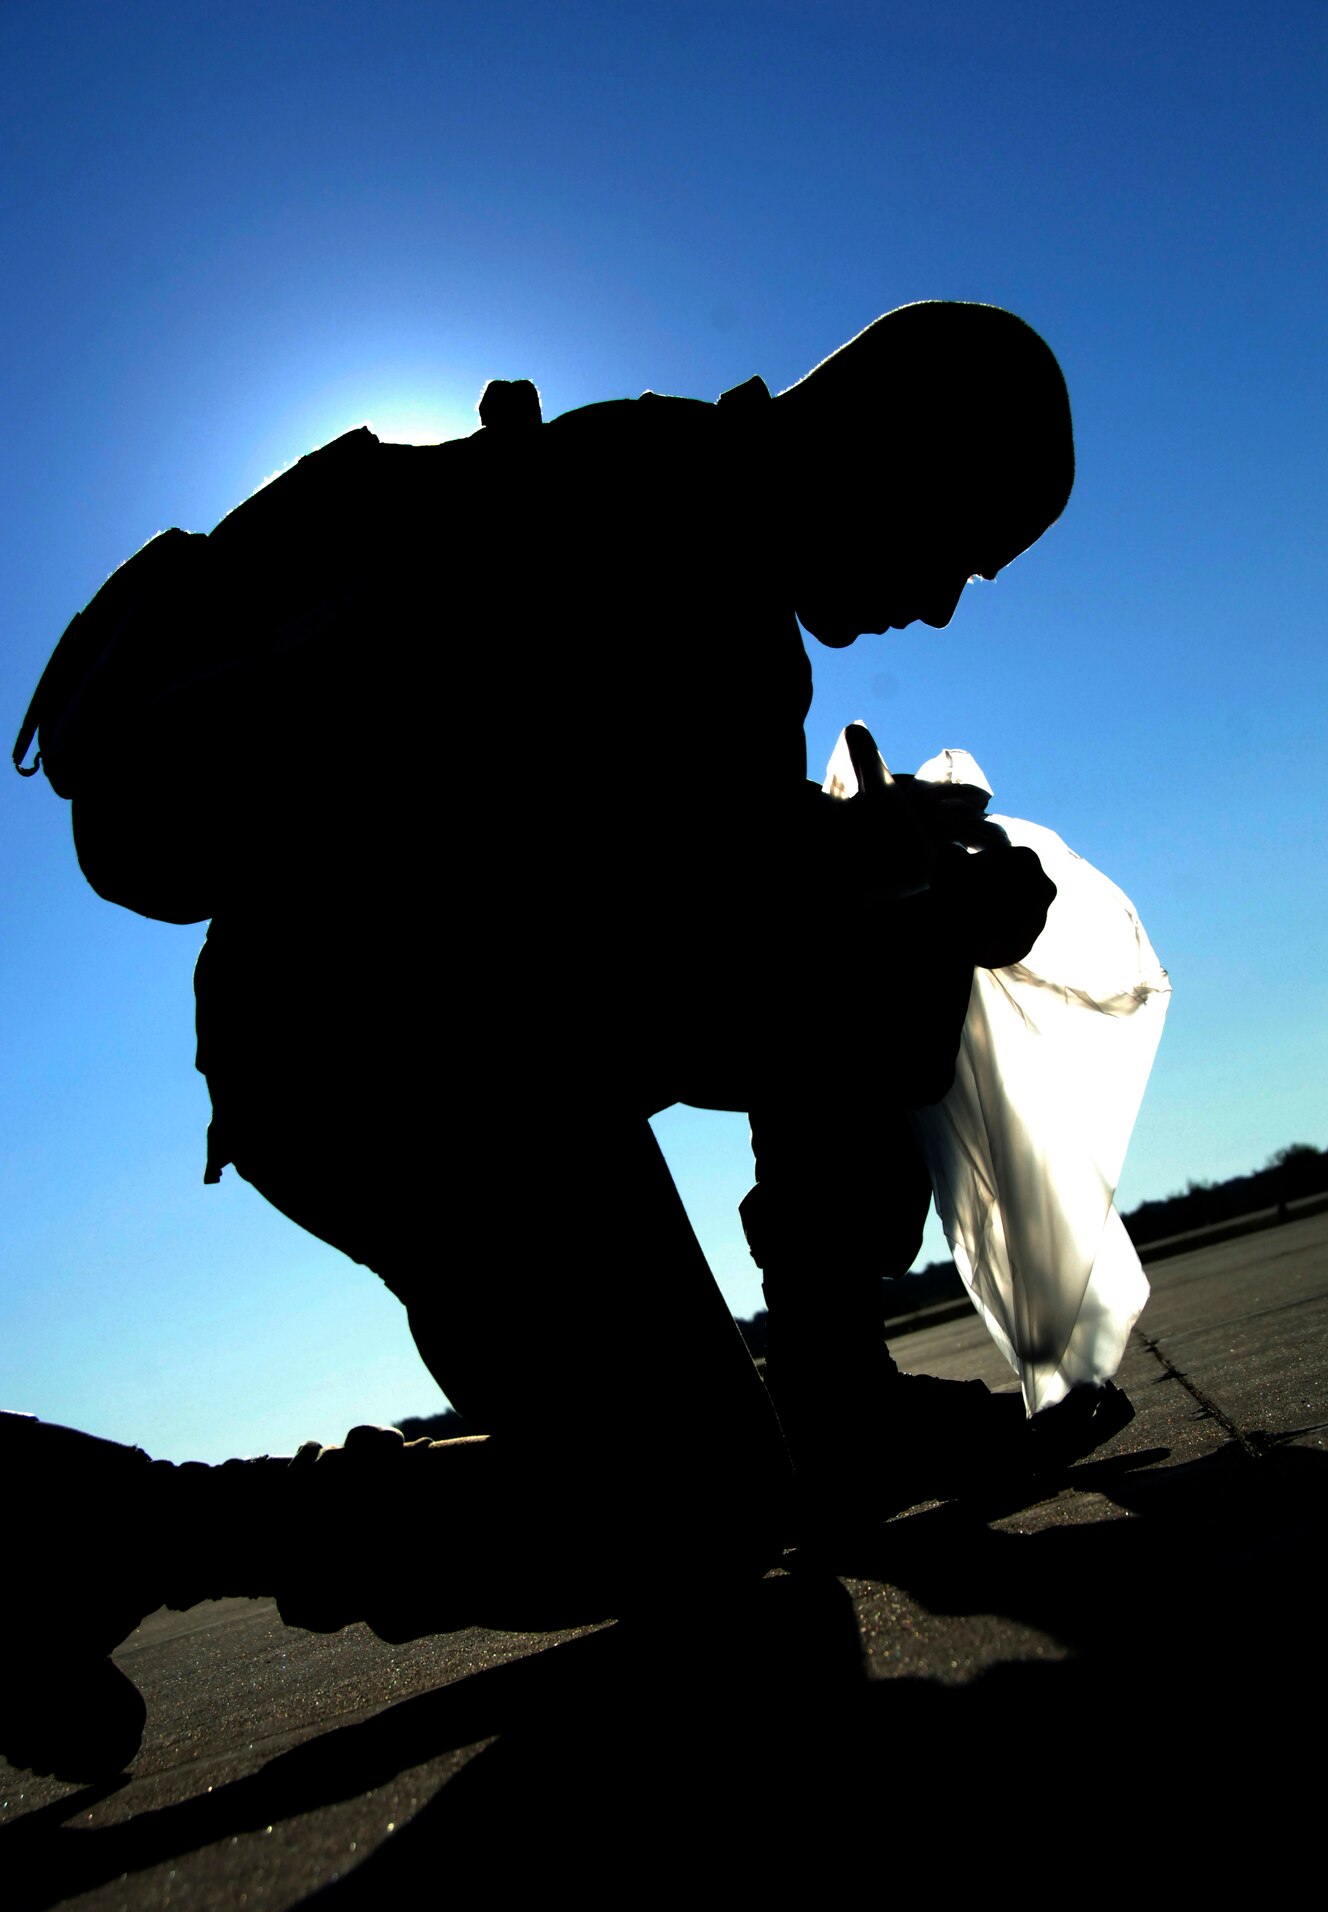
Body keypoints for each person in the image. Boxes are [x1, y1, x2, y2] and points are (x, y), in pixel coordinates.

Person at [7, 301, 1073, 1780]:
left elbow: (640, 874)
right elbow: (684, 901)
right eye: (962, 542)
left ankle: (833, 1405)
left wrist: (866, 862)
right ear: (893, 450)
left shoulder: (677, 512)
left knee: (880, 938)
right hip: (380, 1057)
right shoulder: (667, 538)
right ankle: (103, 1532)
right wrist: (899, 883)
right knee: (686, 1514)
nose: (947, 603)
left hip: (432, 1036)